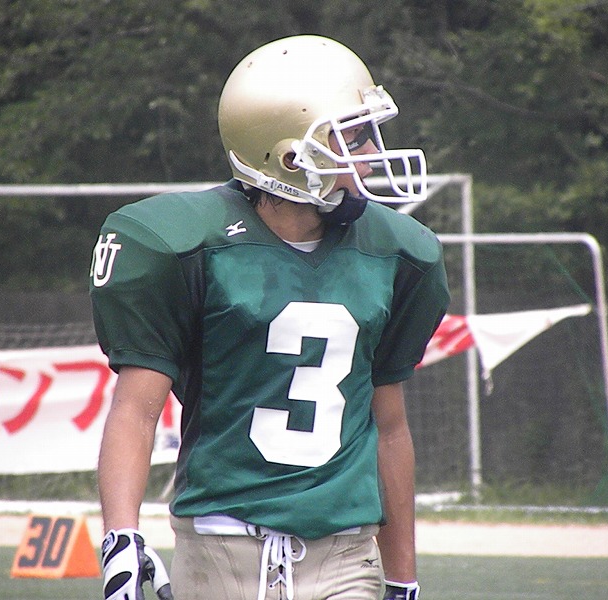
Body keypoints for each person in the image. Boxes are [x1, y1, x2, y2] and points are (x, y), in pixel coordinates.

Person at [90, 34, 450, 600]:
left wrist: (402, 577)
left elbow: (390, 427)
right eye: (349, 138)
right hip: (220, 548)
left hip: (345, 553)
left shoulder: (397, 252)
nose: (367, 155)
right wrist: (122, 539)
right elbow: (136, 409)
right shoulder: (188, 245)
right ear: (289, 158)